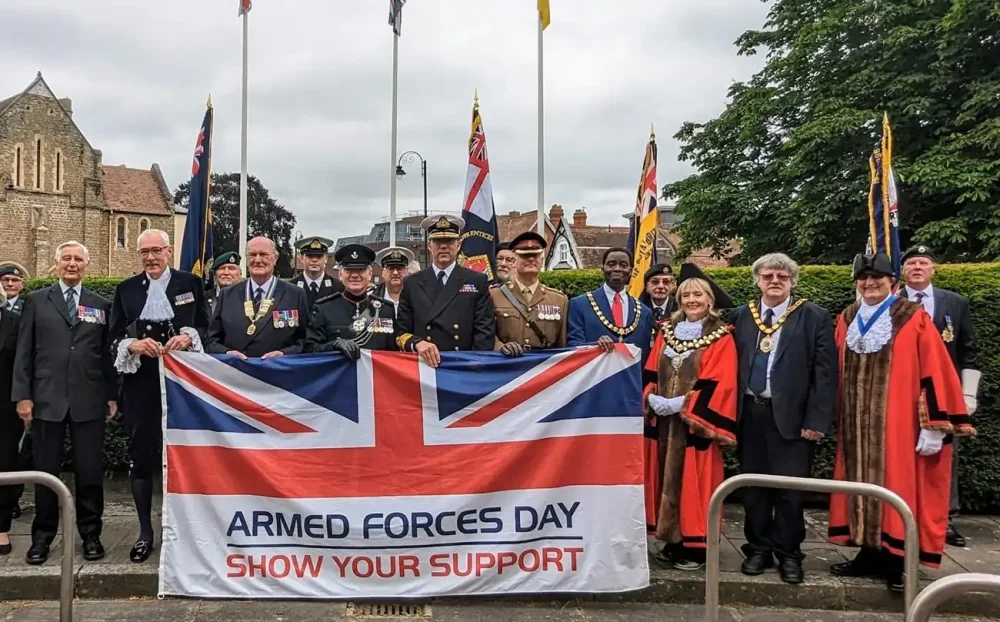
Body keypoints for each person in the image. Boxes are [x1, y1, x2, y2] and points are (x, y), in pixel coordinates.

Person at [828, 252, 974, 592]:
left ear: (891, 280)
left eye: (876, 277)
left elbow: (934, 369)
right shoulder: (847, 318)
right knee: (857, 485)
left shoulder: (913, 317)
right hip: (855, 426)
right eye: (863, 278)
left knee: (898, 487)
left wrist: (933, 423)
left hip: (899, 425)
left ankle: (897, 562)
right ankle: (868, 553)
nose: (869, 283)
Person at [731, 253, 837, 584]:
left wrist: (817, 421)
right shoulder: (741, 316)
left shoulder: (813, 316)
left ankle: (789, 554)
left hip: (792, 418)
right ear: (757, 280)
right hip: (749, 414)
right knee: (753, 489)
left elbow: (825, 374)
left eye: (782, 276)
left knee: (790, 492)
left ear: (792, 281)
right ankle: (759, 549)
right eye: (768, 276)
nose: (774, 281)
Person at [12, 241, 117, 565]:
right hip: (46, 399)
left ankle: (91, 534)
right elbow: (24, 352)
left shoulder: (100, 304)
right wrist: (23, 395)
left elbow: (107, 355)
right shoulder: (37, 301)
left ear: (87, 264)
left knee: (89, 472)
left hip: (89, 399)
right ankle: (42, 538)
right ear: (56, 264)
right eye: (66, 259)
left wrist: (112, 394)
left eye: (78, 259)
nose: (72, 264)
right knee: (46, 472)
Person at [109, 229, 210, 563]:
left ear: (169, 251)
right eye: (144, 253)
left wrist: (189, 335)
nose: (150, 258)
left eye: (156, 251)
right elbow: (111, 338)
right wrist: (132, 345)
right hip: (142, 385)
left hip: (185, 385)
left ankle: (187, 532)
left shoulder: (190, 284)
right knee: (141, 456)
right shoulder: (125, 289)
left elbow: (209, 328)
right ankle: (144, 533)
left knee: (188, 455)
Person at [643, 264, 737, 571]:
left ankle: (696, 546)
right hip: (665, 425)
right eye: (685, 295)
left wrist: (684, 405)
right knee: (664, 481)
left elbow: (721, 382)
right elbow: (650, 370)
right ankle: (672, 540)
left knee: (695, 483)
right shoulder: (666, 331)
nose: (691, 300)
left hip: (695, 426)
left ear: (710, 299)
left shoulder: (721, 336)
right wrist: (651, 396)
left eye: (698, 294)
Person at [898, 245, 979, 548]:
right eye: (912, 263)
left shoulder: (954, 303)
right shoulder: (891, 301)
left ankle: (943, 520)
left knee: (945, 458)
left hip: (944, 393)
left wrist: (968, 394)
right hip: (904, 391)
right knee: (904, 457)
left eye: (923, 263)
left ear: (933, 268)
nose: (917, 267)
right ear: (903, 270)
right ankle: (903, 514)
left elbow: (968, 351)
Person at [395, 215, 496, 367]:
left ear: (459, 245)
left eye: (449, 241)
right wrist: (417, 343)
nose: (443, 246)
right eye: (437, 241)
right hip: (424, 366)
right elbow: (400, 332)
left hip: (462, 365)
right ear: (429, 245)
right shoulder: (412, 283)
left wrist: (473, 365)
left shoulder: (477, 281)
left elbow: (484, 333)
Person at [207, 236, 310, 359]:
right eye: (252, 255)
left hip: (277, 372)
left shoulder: (295, 294)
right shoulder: (227, 295)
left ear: (275, 258)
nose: (257, 260)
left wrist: (284, 353)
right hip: (236, 372)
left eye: (263, 254)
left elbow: (305, 341)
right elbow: (211, 341)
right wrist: (228, 353)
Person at [306, 244, 397, 358]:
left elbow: (395, 354)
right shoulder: (323, 309)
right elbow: (310, 350)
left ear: (369, 274)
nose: (354, 275)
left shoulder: (385, 309)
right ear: (340, 274)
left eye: (360, 270)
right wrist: (333, 345)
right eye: (349, 270)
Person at [567, 247, 655, 362]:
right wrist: (595, 345)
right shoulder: (580, 304)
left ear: (631, 270)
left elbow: (645, 355)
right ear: (602, 269)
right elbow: (573, 345)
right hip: (594, 377)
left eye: (623, 265)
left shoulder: (645, 312)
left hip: (630, 378)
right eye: (611, 264)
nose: (617, 269)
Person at [490, 231, 568, 356]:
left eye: (535, 255)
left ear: (542, 260)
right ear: (514, 261)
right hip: (506, 365)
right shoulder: (494, 295)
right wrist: (500, 346)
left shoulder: (559, 300)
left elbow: (562, 344)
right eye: (525, 256)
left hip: (542, 368)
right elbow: (485, 334)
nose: (531, 259)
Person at [0, 264, 29, 519]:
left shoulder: (26, 310)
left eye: (14, 280)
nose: (9, 285)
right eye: (5, 280)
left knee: (13, 452)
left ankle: (11, 500)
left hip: (12, 394)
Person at [0, 289, 20, 556]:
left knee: (4, 464)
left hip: (5, 407)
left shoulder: (14, 321)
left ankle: (1, 525)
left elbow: (23, 363)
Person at [291, 236, 343, 307]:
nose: (314, 260)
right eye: (310, 256)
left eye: (319, 256)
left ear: (326, 259)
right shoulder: (290, 287)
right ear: (302, 258)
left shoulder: (339, 287)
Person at [373, 246, 415, 314]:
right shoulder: (371, 297)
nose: (395, 273)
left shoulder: (419, 297)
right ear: (383, 272)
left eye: (400, 268)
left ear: (407, 272)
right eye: (390, 268)